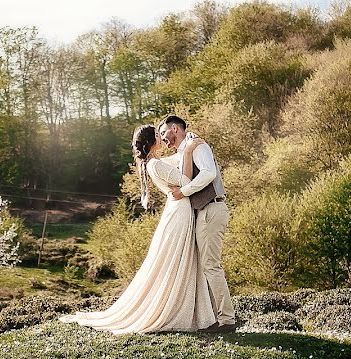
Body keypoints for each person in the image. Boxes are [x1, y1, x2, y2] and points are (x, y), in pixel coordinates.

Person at [59, 124, 217, 334]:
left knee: (179, 259)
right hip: (179, 212)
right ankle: (177, 309)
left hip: (178, 210)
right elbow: (186, 181)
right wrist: (188, 150)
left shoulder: (154, 163)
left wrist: (187, 147)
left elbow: (178, 164)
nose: (161, 139)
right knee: (177, 258)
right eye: (157, 136)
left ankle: (192, 309)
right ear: (151, 141)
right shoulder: (156, 165)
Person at [158, 115, 236, 332]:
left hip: (211, 208)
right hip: (203, 212)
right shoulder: (185, 151)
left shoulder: (198, 145)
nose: (163, 138)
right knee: (204, 266)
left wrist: (183, 192)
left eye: (164, 133)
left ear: (175, 129)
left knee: (211, 265)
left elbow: (209, 173)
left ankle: (227, 320)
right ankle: (212, 317)